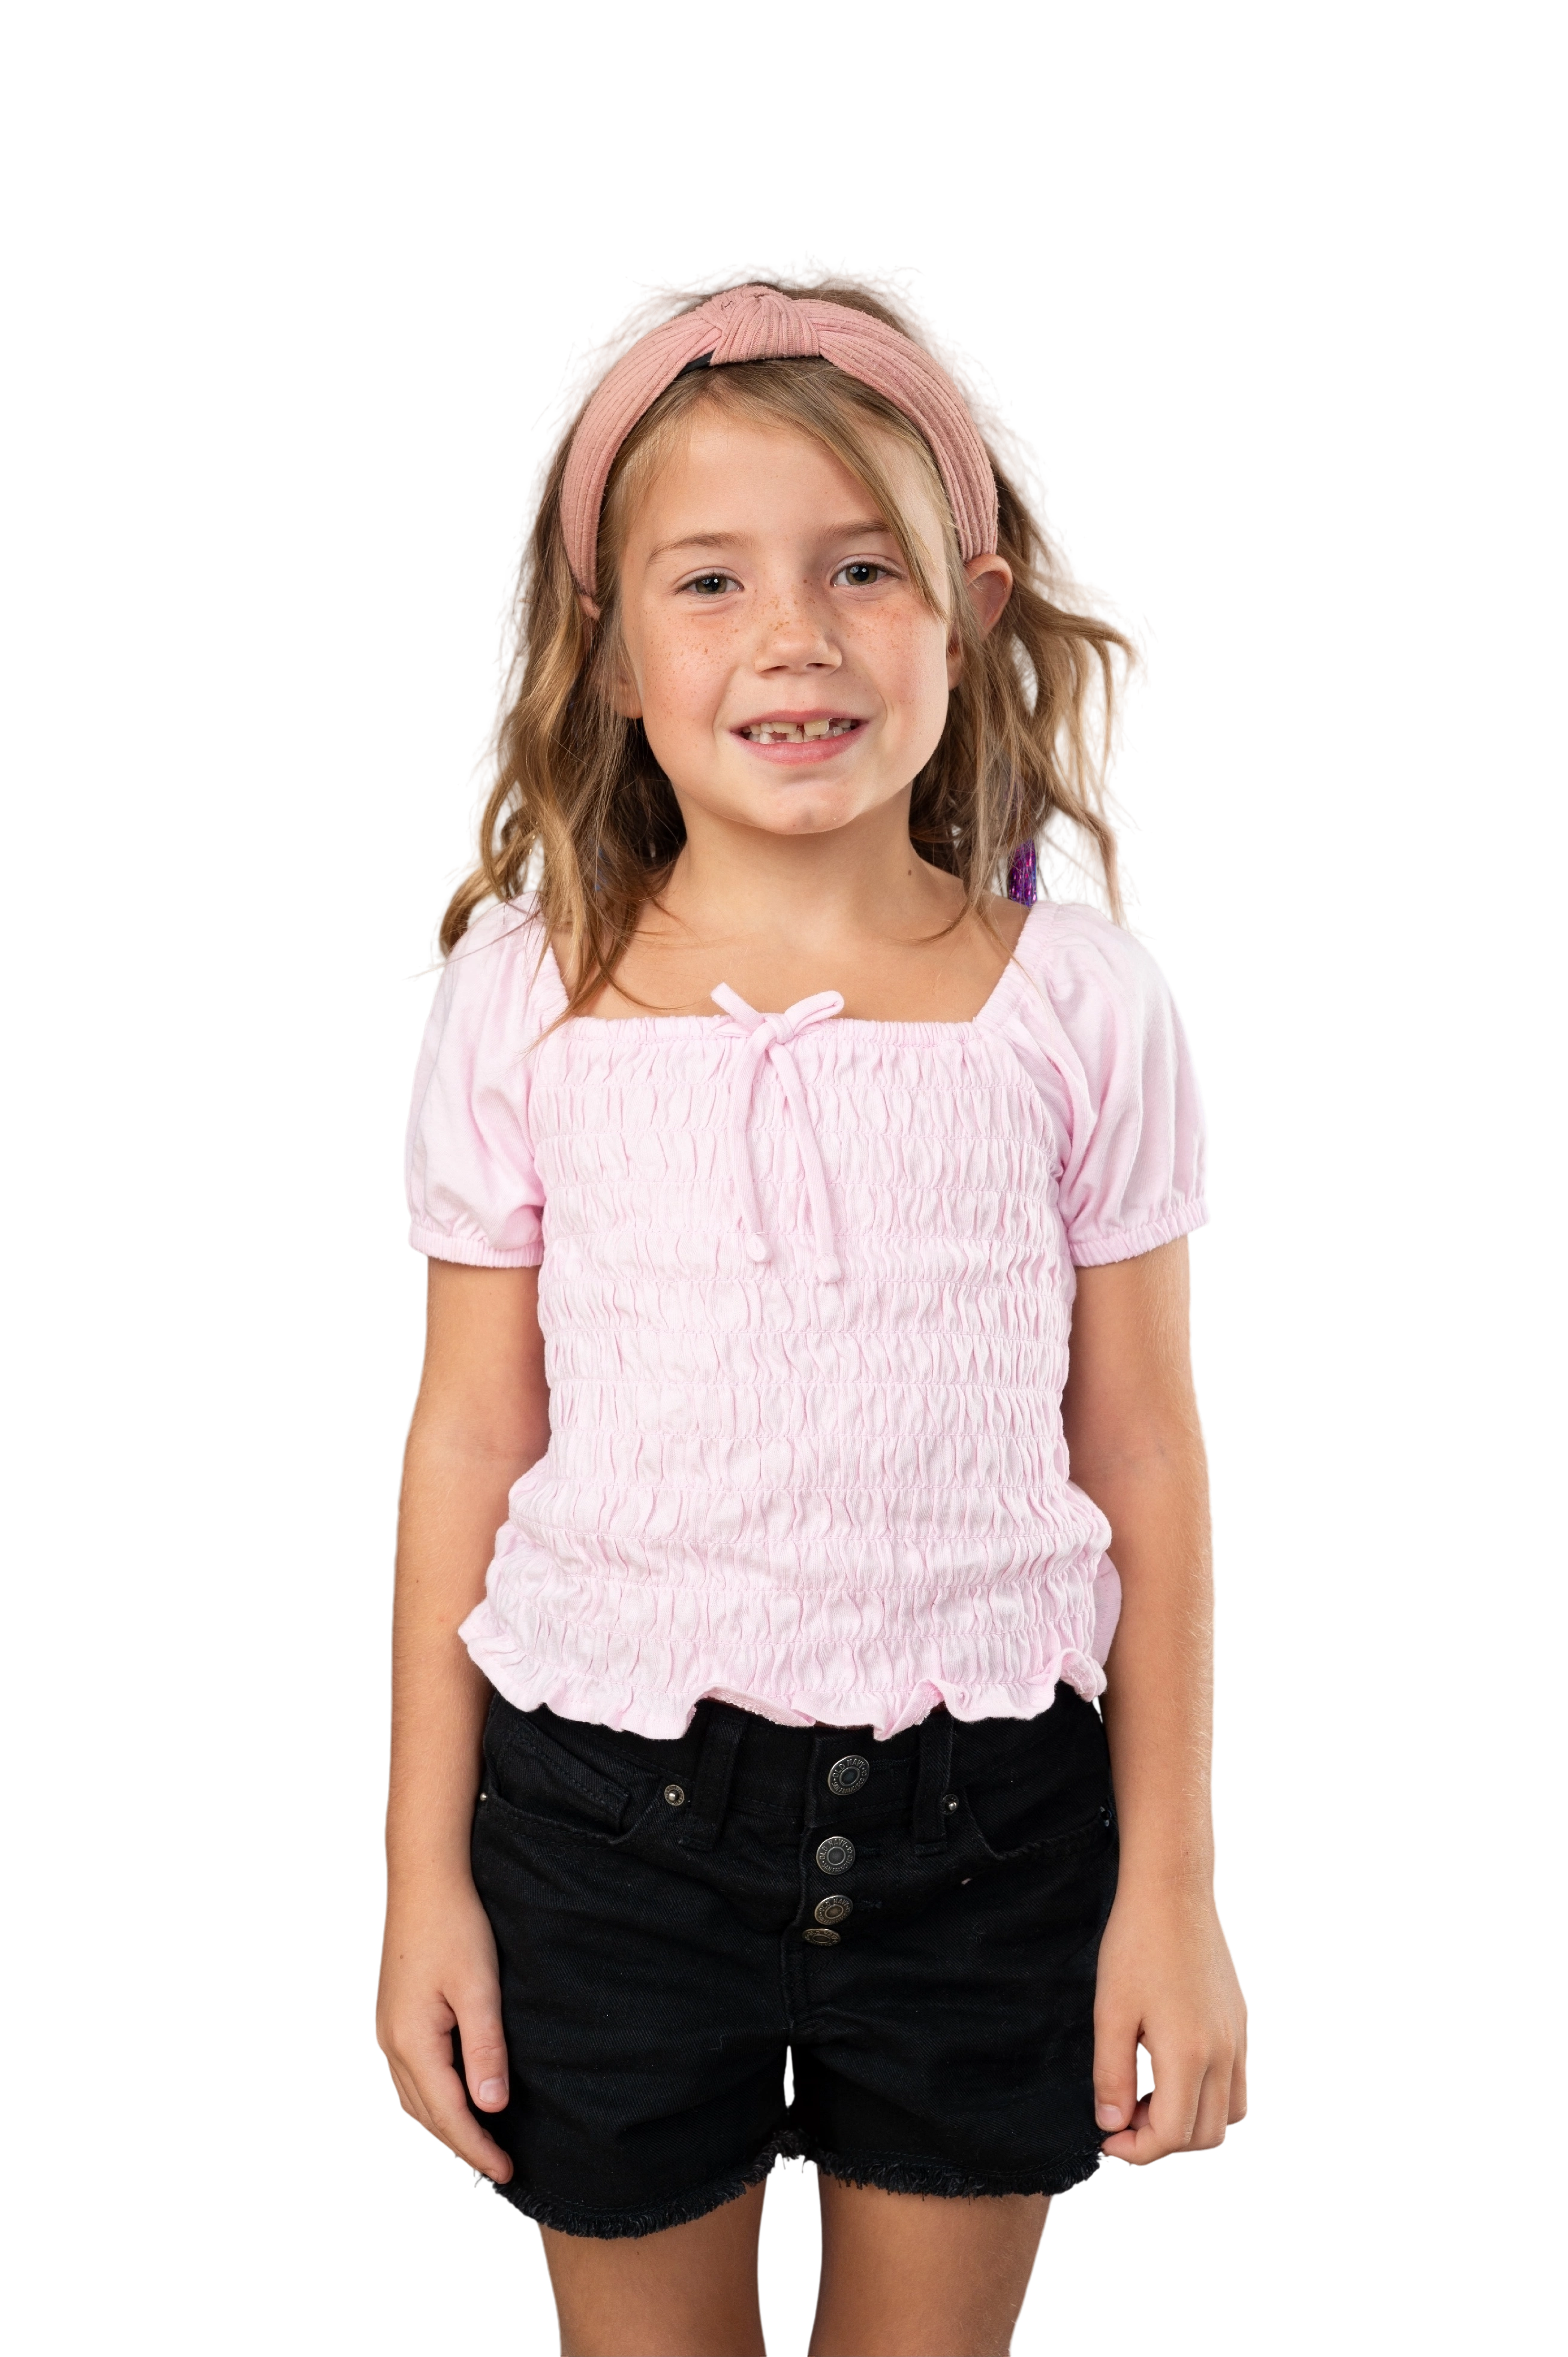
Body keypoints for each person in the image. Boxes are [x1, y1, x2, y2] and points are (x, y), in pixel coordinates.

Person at [375, 254, 1248, 2357]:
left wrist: (1172, 1894)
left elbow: (1141, 1452)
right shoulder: (522, 993)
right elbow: (468, 1436)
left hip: (991, 1837)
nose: (795, 634)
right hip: (603, 1834)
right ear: (606, 648)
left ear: (970, 607)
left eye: (864, 568)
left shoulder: (1079, 1001)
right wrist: (420, 1879)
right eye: (712, 581)